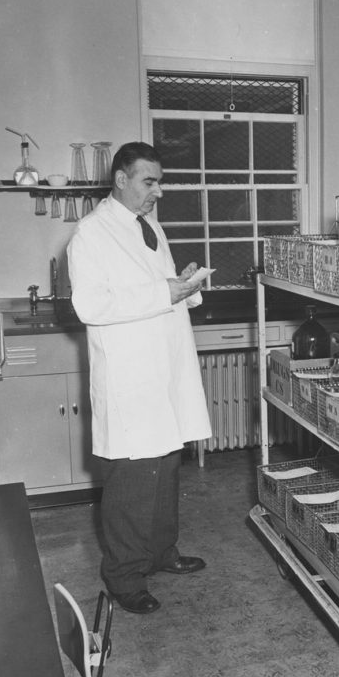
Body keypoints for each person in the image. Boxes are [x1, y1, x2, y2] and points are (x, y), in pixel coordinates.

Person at [67, 141, 212, 615]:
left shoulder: (150, 227)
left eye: (160, 181)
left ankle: (161, 553)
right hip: (130, 379)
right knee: (132, 482)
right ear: (121, 180)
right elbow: (91, 306)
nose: (159, 192)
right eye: (150, 182)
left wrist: (184, 286)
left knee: (166, 468)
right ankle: (125, 577)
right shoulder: (91, 234)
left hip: (164, 370)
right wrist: (162, 290)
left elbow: (160, 289)